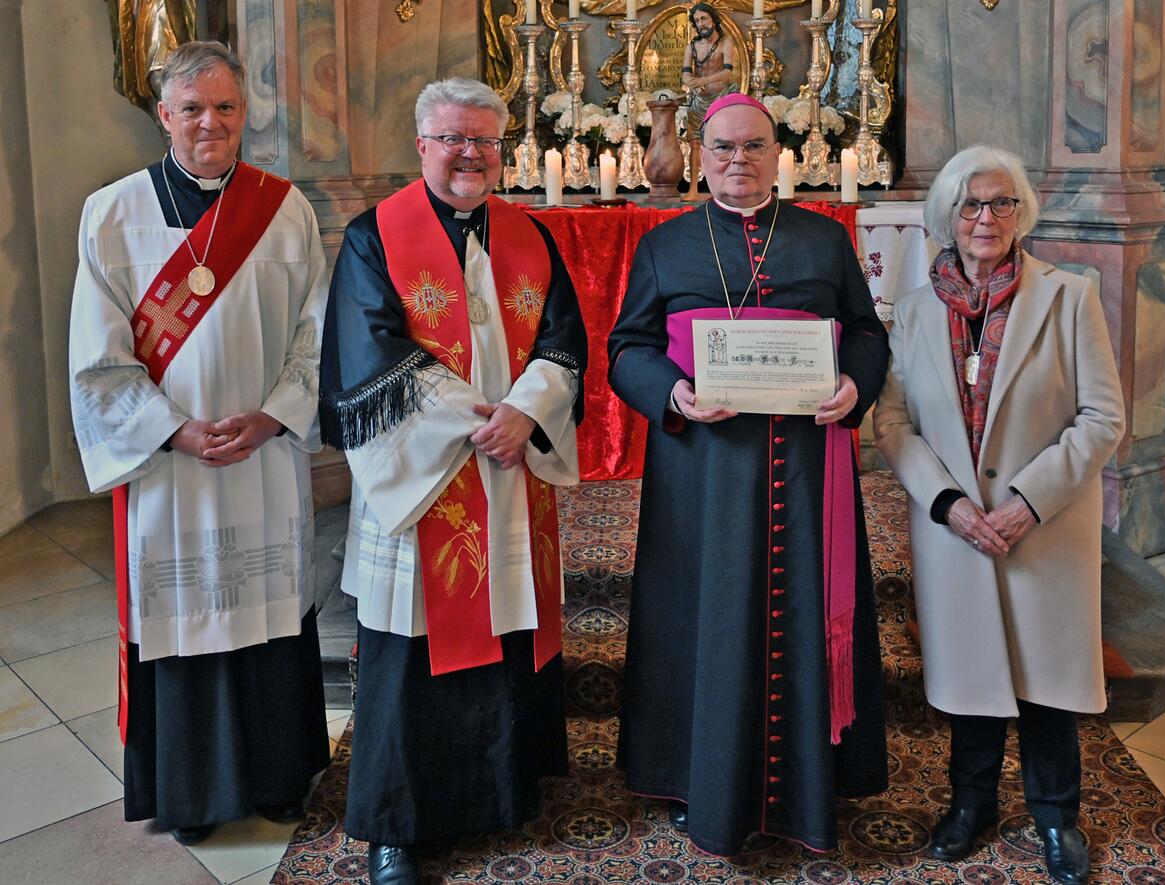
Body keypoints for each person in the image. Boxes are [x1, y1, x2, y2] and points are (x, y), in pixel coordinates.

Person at [319, 78, 587, 884]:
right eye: (453, 138)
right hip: (425, 477)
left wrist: (526, 412)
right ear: (422, 145)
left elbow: (564, 338)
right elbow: (369, 353)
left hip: (507, 472)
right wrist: (482, 420)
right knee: (409, 654)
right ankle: (397, 823)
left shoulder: (531, 235)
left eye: (485, 140)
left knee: (505, 631)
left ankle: (500, 792)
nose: (470, 154)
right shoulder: (376, 236)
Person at [607, 92, 889, 856]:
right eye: (724, 148)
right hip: (704, 470)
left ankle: (813, 779)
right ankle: (696, 777)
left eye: (754, 146)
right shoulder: (666, 245)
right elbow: (626, 348)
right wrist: (672, 392)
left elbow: (866, 331)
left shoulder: (824, 240)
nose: (739, 160)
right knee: (702, 613)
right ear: (701, 156)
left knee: (802, 606)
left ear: (778, 153)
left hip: (807, 468)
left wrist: (856, 385)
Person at [68, 41, 331, 845]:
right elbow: (96, 355)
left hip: (264, 453)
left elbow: (315, 336)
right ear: (164, 116)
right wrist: (173, 428)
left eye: (225, 107)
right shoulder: (112, 213)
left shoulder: (284, 208)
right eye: (192, 109)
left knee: (270, 607)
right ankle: (194, 792)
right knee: (186, 614)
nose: (210, 124)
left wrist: (277, 413)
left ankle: (283, 775)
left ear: (243, 113)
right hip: (170, 467)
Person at [873, 145, 1125, 885]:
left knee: (1047, 681)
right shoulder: (915, 310)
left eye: (1002, 203)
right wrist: (948, 503)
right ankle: (971, 804)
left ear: (1021, 212)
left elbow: (1101, 418)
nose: (987, 218)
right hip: (954, 528)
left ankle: (1056, 816)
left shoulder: (1067, 295)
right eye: (972, 205)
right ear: (947, 216)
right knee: (973, 673)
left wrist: (1028, 500)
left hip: (1043, 527)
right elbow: (893, 423)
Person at [681, 3, 737, 198]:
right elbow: (685, 75)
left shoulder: (725, 43)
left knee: (722, 144)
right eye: (697, 21)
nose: (701, 24)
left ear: (713, 19)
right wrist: (694, 84)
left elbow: (727, 72)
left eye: (704, 18)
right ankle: (693, 189)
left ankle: (723, 189)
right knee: (695, 144)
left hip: (721, 100)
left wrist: (705, 80)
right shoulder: (692, 46)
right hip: (699, 101)